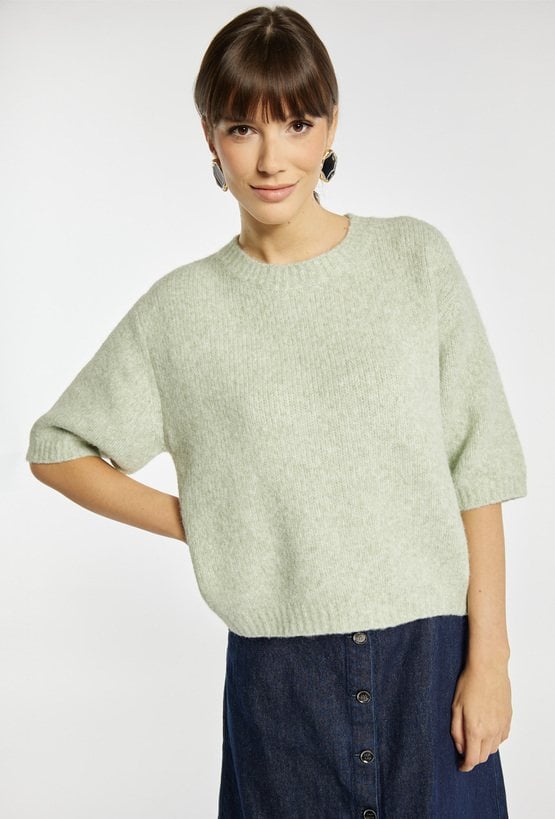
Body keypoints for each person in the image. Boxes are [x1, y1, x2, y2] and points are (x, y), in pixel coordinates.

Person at [26, 5, 527, 818]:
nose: (270, 159)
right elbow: (57, 448)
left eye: (296, 123)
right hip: (279, 683)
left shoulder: (414, 260)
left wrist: (491, 659)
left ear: (331, 123)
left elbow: (479, 464)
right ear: (209, 136)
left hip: (431, 663)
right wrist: (206, 518)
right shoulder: (181, 313)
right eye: (242, 128)